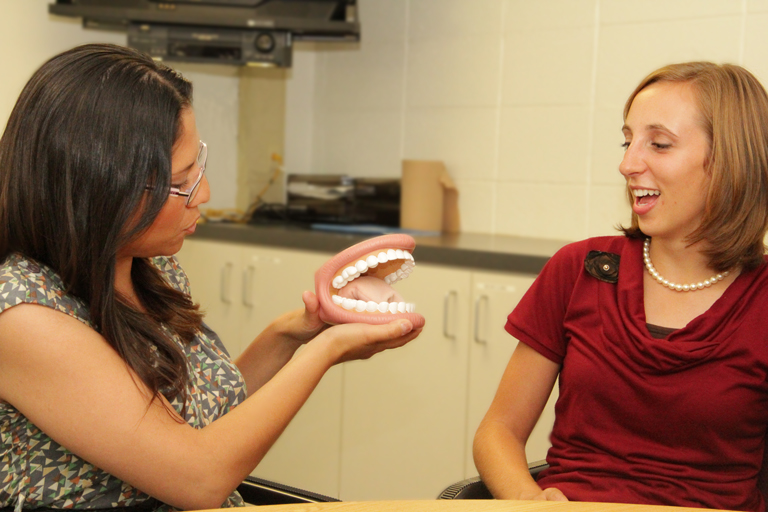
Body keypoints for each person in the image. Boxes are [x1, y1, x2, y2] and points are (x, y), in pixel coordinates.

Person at [0, 43, 422, 512]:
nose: (204, 194)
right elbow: (197, 477)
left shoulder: (146, 265)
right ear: (98, 186)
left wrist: (295, 333)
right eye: (181, 181)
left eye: (197, 164)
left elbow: (195, 422)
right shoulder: (23, 315)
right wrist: (326, 352)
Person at [473, 61, 768, 512]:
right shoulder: (581, 268)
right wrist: (529, 500)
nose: (627, 164)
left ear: (732, 160)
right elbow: (498, 431)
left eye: (660, 144)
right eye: (628, 141)